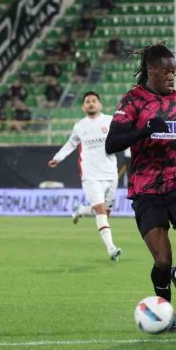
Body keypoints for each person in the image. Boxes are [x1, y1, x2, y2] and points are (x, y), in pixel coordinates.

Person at [104, 44, 176, 330]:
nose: (171, 77)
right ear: (151, 70)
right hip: (146, 188)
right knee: (162, 260)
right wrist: (143, 130)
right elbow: (111, 144)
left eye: (173, 72)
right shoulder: (132, 101)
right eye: (165, 71)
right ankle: (167, 315)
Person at [49, 92, 123, 262]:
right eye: (87, 101)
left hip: (111, 173)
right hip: (90, 175)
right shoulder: (79, 126)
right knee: (101, 211)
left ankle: (81, 210)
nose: (90, 103)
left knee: (105, 213)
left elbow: (124, 136)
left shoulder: (110, 121)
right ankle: (111, 249)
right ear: (83, 106)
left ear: (100, 104)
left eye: (94, 101)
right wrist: (57, 158)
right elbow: (71, 144)